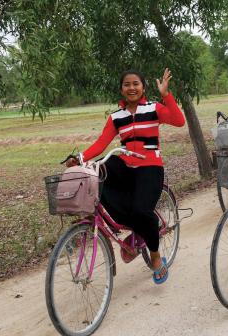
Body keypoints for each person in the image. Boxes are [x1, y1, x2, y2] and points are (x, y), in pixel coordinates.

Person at [66, 68, 185, 284]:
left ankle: (156, 257)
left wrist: (166, 95)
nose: (131, 88)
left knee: (142, 210)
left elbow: (179, 121)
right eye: (127, 84)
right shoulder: (116, 117)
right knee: (100, 169)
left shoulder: (153, 108)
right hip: (126, 164)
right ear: (121, 89)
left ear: (143, 87)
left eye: (135, 84)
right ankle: (132, 227)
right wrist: (80, 158)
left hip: (150, 165)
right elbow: (102, 143)